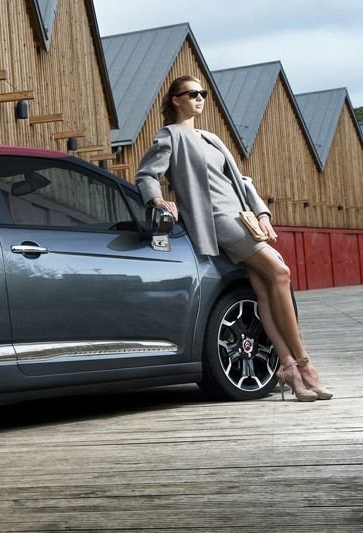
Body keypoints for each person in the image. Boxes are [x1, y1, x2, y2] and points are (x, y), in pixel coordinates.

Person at [135, 75, 332, 402]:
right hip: (218, 218)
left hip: (242, 216)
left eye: (203, 93)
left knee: (264, 288)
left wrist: (262, 213)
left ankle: (288, 368)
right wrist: (156, 200)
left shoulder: (211, 137)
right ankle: (306, 363)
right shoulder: (170, 136)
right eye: (192, 93)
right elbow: (146, 173)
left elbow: (241, 180)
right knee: (280, 273)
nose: (199, 98)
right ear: (176, 99)